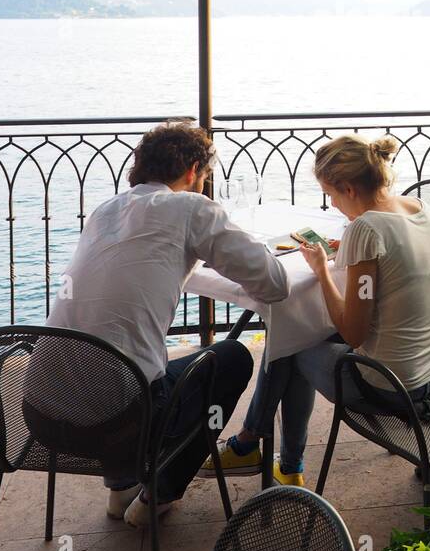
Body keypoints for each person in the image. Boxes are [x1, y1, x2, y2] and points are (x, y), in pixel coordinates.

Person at [30, 120, 288, 526]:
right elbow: (273, 283)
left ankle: (123, 487)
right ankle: (158, 495)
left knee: (128, 362)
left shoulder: (105, 210)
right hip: (117, 424)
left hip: (37, 415)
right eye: (203, 176)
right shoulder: (191, 208)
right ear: (192, 172)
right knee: (232, 357)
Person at [203, 134, 430, 486]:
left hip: (390, 386)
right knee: (293, 335)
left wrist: (321, 270)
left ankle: (268, 455)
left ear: (348, 188)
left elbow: (353, 333)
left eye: (331, 195)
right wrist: (349, 253)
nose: (332, 205)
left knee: (290, 343)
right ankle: (262, 451)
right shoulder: (417, 208)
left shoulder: (366, 229)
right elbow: (394, 269)